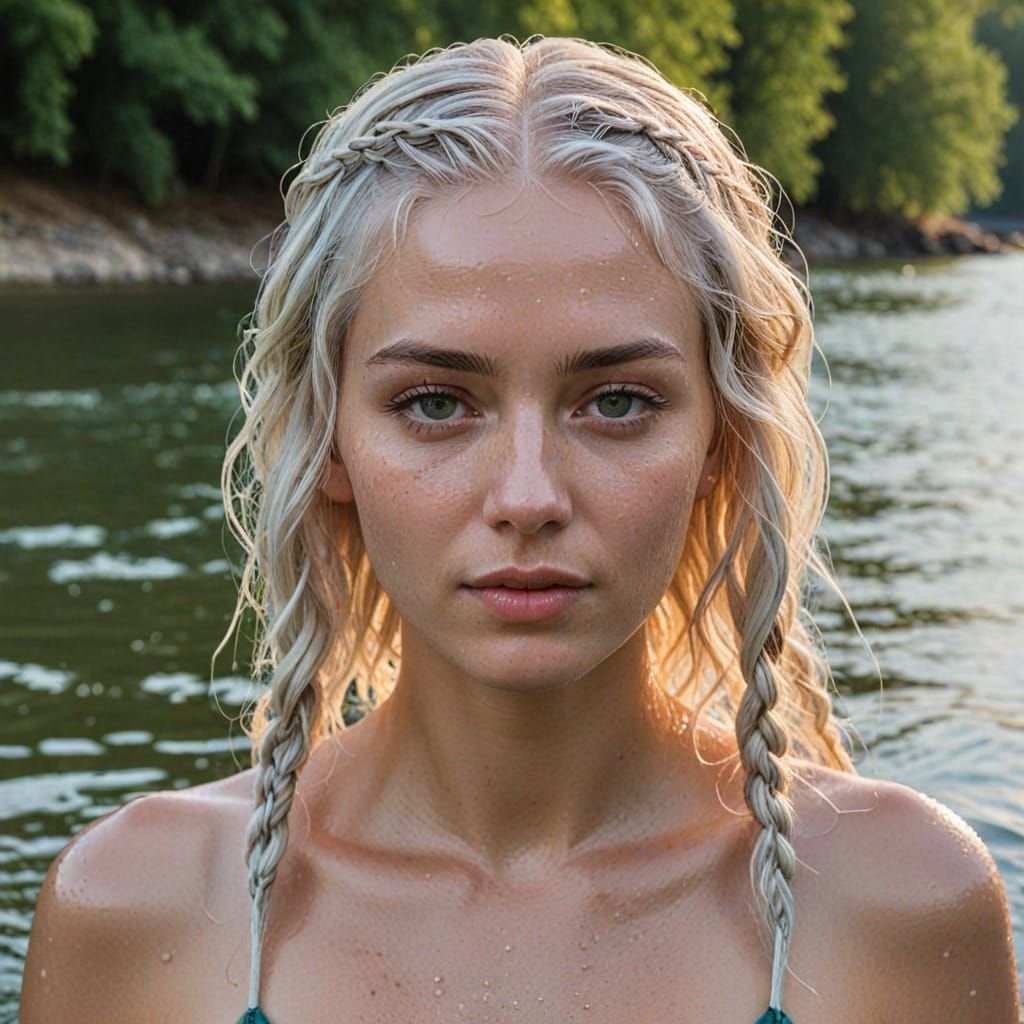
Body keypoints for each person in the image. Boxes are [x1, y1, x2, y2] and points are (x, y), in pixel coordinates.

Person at [21, 34, 1020, 1024]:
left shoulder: (897, 901)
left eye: (618, 401)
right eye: (436, 402)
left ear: (724, 439)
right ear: (326, 442)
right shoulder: (135, 907)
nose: (528, 495)